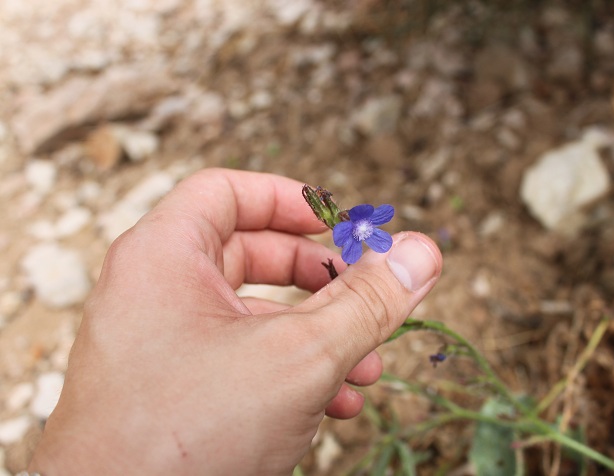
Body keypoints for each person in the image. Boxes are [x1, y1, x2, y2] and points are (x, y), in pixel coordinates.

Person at [27, 169, 443, 475]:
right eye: (359, 227)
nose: (368, 229)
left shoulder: (361, 229)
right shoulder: (349, 234)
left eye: (367, 225)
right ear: (348, 223)